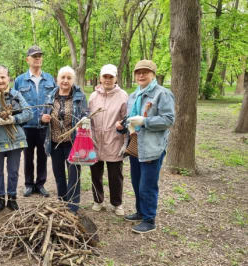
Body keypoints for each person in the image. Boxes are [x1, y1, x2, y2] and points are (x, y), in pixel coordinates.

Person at [116, 60, 175, 233]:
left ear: (153, 74)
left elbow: (169, 119)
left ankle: (149, 220)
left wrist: (146, 121)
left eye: (145, 72)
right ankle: (141, 212)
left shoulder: (162, 94)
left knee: (147, 185)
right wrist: (122, 125)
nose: (141, 75)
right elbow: (131, 117)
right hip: (135, 145)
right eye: (138, 72)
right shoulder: (134, 95)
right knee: (136, 182)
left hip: (152, 147)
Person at [0, 66, 33, 212]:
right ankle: (0, 198)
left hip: (15, 140)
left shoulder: (16, 95)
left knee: (13, 171)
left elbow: (29, 113)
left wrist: (14, 119)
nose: (0, 80)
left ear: (8, 78)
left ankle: (12, 197)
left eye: (3, 77)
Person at [41, 66, 88, 214]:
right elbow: (42, 117)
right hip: (55, 142)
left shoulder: (79, 96)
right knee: (59, 174)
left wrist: (84, 120)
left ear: (73, 80)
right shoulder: (50, 96)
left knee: (74, 175)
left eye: (69, 78)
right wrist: (43, 119)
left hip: (73, 142)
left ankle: (73, 206)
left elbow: (87, 114)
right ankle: (62, 201)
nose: (65, 81)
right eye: (63, 77)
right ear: (58, 79)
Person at [15, 45, 56, 198]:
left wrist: (48, 116)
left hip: (44, 126)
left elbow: (54, 101)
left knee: (43, 156)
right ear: (28, 60)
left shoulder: (50, 79)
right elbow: (16, 105)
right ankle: (28, 184)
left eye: (39, 56)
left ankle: (40, 184)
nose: (37, 58)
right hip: (27, 126)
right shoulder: (20, 81)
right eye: (34, 56)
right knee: (27, 157)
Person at [89, 64, 128, 216]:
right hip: (96, 141)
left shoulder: (122, 96)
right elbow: (89, 118)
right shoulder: (93, 96)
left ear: (116, 78)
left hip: (114, 141)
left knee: (115, 175)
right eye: (105, 76)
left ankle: (117, 203)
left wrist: (122, 129)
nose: (107, 79)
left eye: (111, 77)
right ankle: (98, 200)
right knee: (95, 174)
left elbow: (127, 118)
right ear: (100, 77)